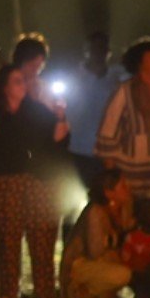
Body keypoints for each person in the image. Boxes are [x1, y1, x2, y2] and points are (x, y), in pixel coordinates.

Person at [0, 65, 68, 298]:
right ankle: (9, 296)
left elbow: (58, 138)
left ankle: (45, 296)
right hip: (4, 182)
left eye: (23, 81)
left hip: (38, 180)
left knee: (42, 237)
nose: (23, 85)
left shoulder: (37, 110)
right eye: (17, 81)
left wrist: (61, 115)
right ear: (5, 87)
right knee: (8, 239)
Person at [96, 37, 150, 204]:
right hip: (131, 170)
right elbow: (108, 130)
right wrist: (112, 174)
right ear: (140, 62)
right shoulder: (126, 91)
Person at [61, 168, 134, 298]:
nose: (128, 189)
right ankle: (81, 290)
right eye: (123, 186)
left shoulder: (120, 208)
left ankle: (96, 295)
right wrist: (115, 240)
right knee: (123, 274)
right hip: (79, 265)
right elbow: (94, 251)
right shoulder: (96, 211)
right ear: (109, 192)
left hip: (98, 260)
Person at [64, 31, 116, 191]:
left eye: (102, 48)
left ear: (108, 52)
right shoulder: (72, 79)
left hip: (108, 152)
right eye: (94, 49)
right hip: (79, 150)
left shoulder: (116, 80)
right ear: (86, 51)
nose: (98, 53)